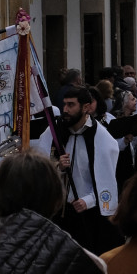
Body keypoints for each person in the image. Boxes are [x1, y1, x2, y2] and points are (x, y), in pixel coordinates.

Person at [37, 85, 121, 255]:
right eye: (64, 105)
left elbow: (106, 178)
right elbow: (39, 163)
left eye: (71, 105)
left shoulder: (101, 138)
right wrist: (56, 165)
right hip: (59, 211)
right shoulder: (54, 131)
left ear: (86, 108)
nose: (65, 110)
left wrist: (88, 200)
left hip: (88, 213)